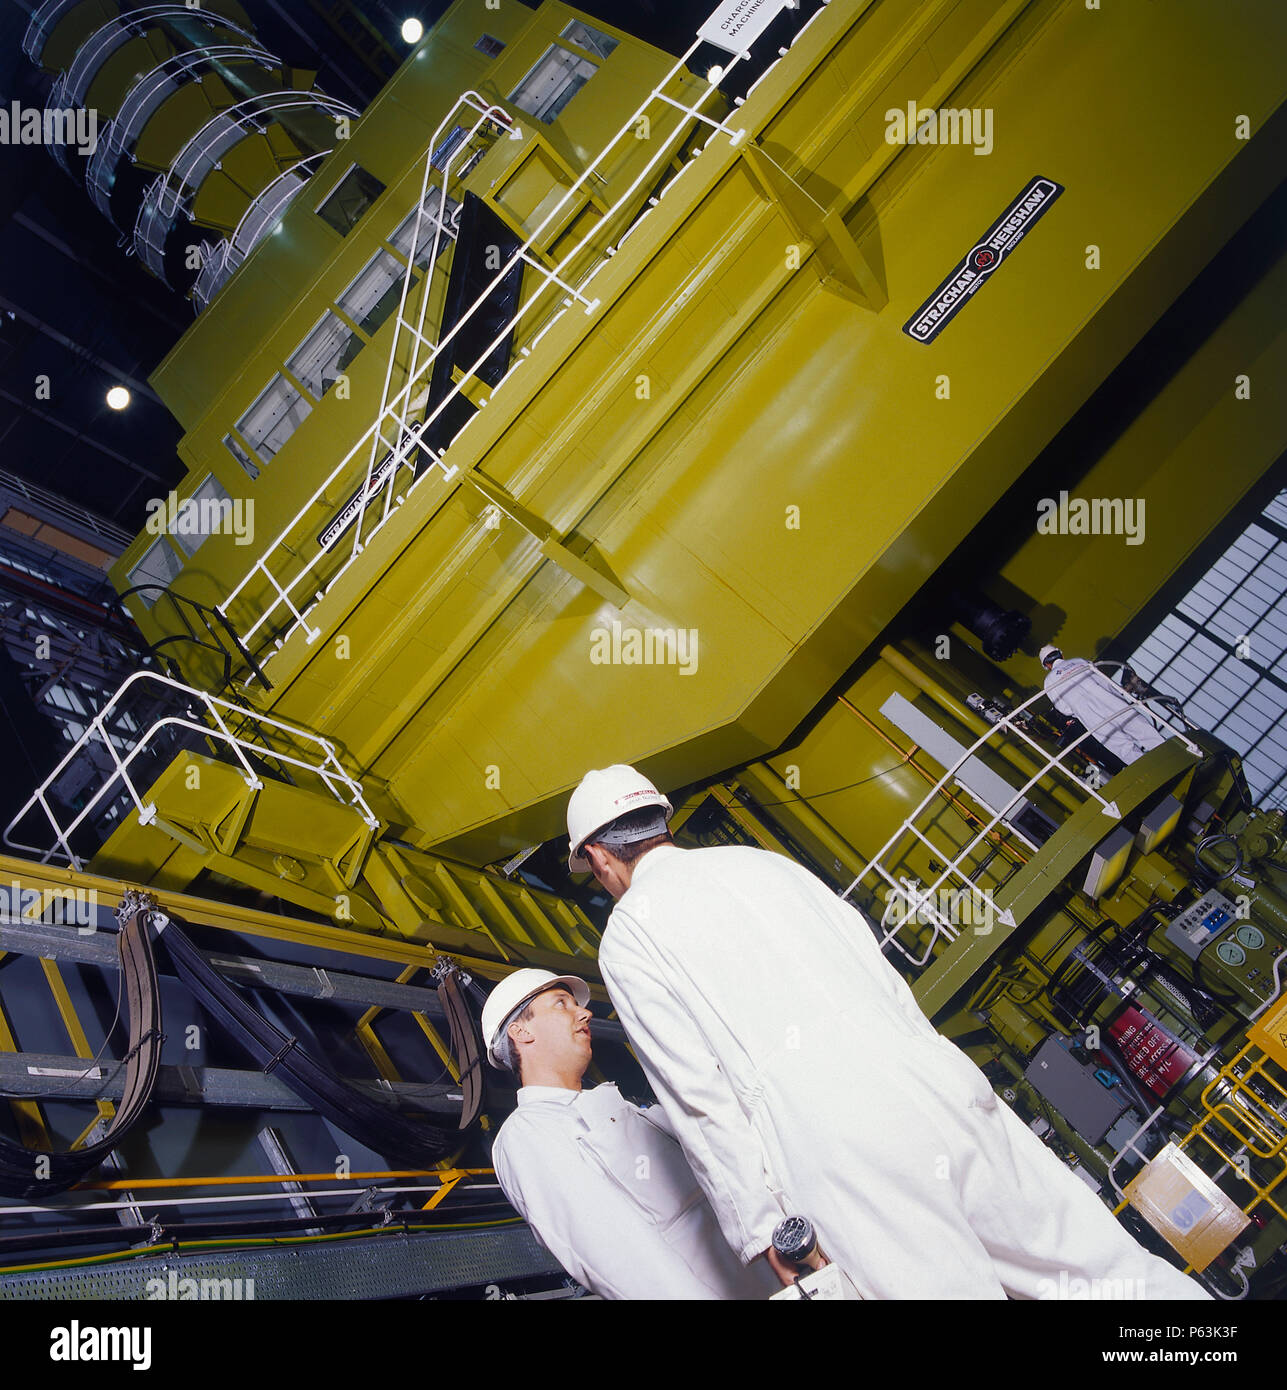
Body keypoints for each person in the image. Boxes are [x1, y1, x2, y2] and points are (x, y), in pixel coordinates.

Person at [570, 764, 1211, 1300]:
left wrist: (764, 1226)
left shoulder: (629, 938)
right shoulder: (764, 865)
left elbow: (697, 1096)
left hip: (843, 1140)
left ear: (598, 856)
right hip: (940, 1084)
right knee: (1099, 1273)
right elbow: (881, 977)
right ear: (661, 819)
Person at [484, 967, 776, 1300]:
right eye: (562, 1004)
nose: (584, 1012)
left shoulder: (627, 1110)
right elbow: (619, 1255)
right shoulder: (529, 1134)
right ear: (521, 1032)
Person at [1040, 645, 1167, 765]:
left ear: (1046, 665)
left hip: (1090, 715)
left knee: (1120, 745)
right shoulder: (1079, 661)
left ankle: (1148, 768)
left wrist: (1078, 709)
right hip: (1112, 701)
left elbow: (1064, 708)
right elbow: (1104, 680)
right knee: (1140, 728)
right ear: (1060, 654)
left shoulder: (1049, 681)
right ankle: (1169, 753)